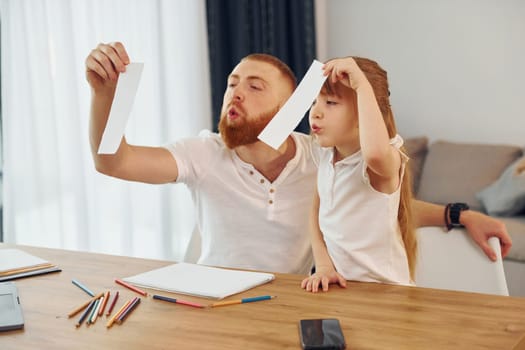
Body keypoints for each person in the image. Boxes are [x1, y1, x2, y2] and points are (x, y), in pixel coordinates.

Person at [85, 42, 512, 275]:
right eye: (233, 82)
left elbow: (375, 209)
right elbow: (113, 162)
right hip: (211, 302)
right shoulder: (203, 152)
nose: (236, 92)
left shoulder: (319, 157)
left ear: (292, 106)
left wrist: (459, 215)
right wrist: (106, 94)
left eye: (255, 86)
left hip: (289, 308)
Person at [302, 57, 415, 292]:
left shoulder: (384, 159)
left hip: (388, 295)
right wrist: (323, 266)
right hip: (344, 292)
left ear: (366, 110)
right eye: (314, 101)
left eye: (331, 102)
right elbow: (315, 214)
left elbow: (374, 153)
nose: (316, 113)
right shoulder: (326, 156)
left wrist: (362, 86)